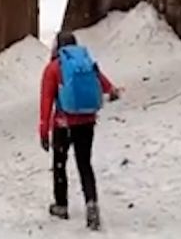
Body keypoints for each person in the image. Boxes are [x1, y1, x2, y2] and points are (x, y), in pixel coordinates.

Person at [38, 30, 120, 230]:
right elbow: (103, 82)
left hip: (63, 123)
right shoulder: (85, 62)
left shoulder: (53, 68)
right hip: (87, 122)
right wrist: (113, 91)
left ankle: (61, 204)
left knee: (60, 163)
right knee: (85, 164)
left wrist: (43, 130)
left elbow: (46, 101)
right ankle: (91, 203)